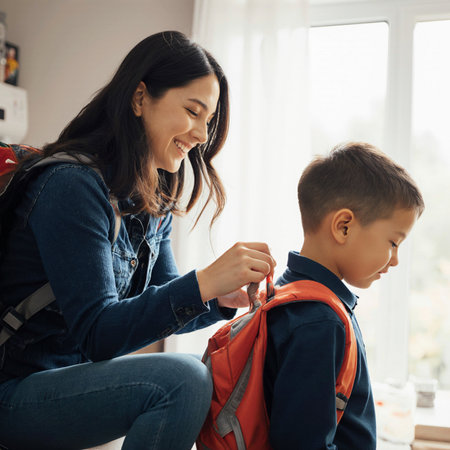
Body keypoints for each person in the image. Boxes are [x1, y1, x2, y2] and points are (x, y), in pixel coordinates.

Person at [0, 31, 275, 450]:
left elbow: (164, 298)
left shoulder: (151, 202)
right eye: (193, 111)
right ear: (140, 98)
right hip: (11, 389)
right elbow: (100, 335)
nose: (203, 133)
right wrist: (204, 280)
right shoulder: (71, 186)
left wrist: (221, 297)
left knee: (191, 375)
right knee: (182, 381)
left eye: (210, 119)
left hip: (57, 381)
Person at [263, 142, 424, 449]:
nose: (395, 260)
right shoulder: (319, 322)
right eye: (393, 242)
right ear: (344, 226)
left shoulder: (288, 293)